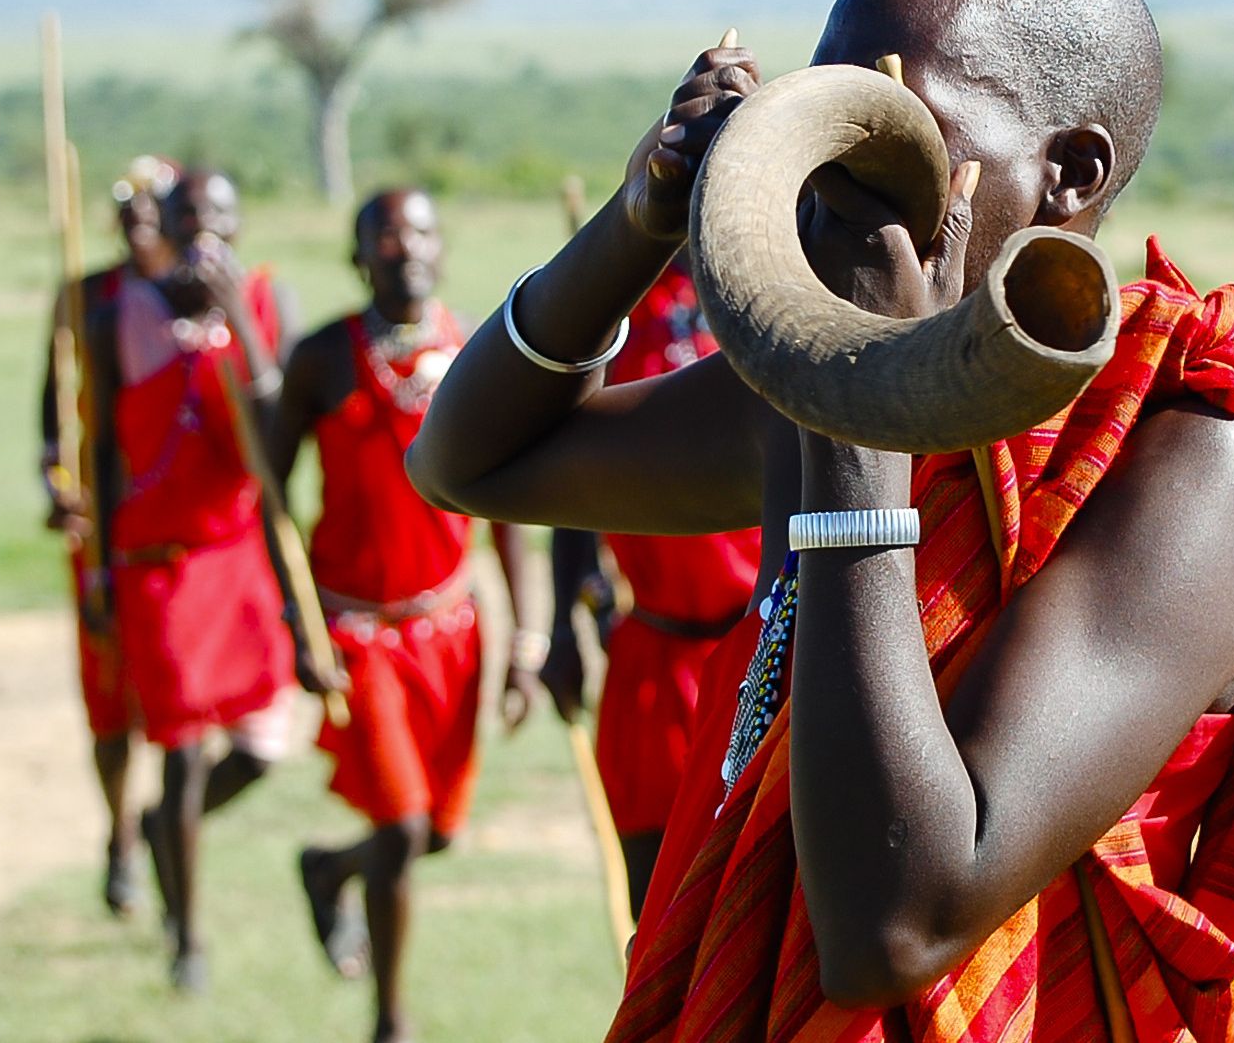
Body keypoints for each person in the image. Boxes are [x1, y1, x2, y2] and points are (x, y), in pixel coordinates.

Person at [409, 0, 1234, 1041]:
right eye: (824, 112)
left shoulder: (1190, 458)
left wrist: (855, 410)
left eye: (892, 125)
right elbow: (466, 460)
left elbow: (896, 924)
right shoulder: (809, 405)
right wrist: (639, 223)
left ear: (1067, 173)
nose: (830, 168)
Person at [266, 187, 537, 1043]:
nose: (403, 246)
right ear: (358, 255)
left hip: (452, 628)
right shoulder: (321, 360)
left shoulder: (477, 352)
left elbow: (507, 509)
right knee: (402, 823)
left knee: (437, 834)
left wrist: (526, 642)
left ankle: (327, 867)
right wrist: (295, 621)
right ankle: (391, 1020)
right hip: (356, 631)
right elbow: (268, 499)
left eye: (419, 230)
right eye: (383, 234)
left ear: (441, 247)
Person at [83, 167, 310, 992]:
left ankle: (158, 831)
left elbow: (278, 419)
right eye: (187, 217)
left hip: (239, 553)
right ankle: (187, 932)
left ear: (238, 223)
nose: (202, 231)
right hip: (158, 563)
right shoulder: (119, 314)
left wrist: (236, 327)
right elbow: (105, 453)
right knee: (178, 750)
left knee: (259, 748)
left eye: (217, 215)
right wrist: (104, 565)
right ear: (165, 227)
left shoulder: (265, 301)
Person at [539, 253, 761, 915]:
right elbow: (575, 479)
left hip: (767, 654)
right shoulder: (610, 313)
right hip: (653, 658)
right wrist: (562, 625)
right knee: (655, 906)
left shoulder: (782, 287)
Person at [37, 154, 178, 919]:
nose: (138, 222)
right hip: (104, 527)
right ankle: (120, 830)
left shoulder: (188, 302)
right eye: (126, 208)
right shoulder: (86, 295)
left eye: (153, 207)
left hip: (174, 530)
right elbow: (50, 413)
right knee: (110, 698)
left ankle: (164, 830)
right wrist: (59, 486)